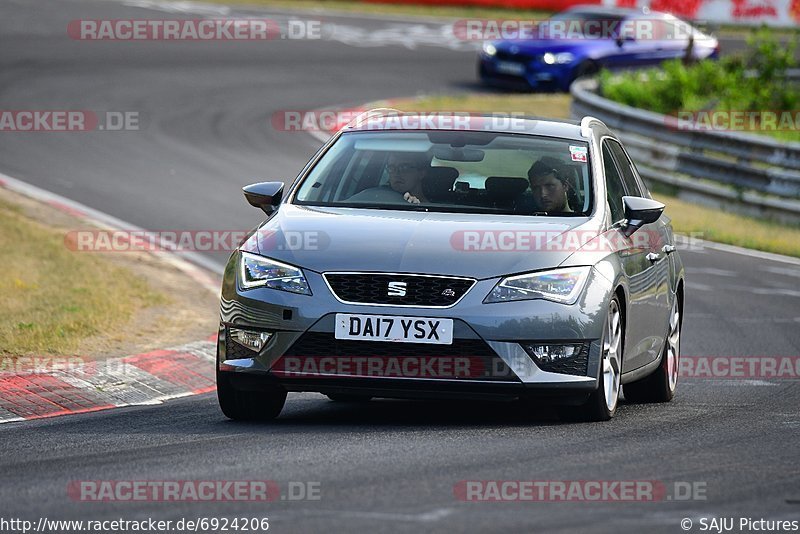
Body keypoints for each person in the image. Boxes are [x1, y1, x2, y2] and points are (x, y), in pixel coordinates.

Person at [347, 152, 430, 204]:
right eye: (391, 168)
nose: (396, 173)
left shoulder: (435, 209)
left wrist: (417, 207)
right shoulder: (374, 198)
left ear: (422, 173)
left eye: (404, 167)